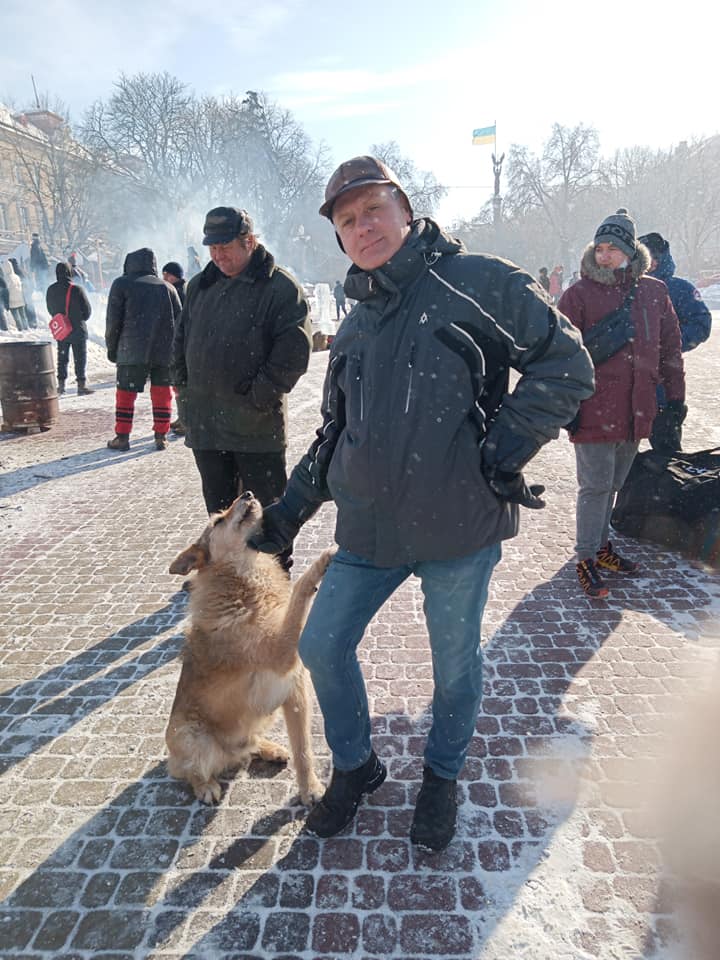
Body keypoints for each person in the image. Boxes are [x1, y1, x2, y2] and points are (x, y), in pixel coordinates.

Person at [250, 156, 595, 850]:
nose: (362, 227)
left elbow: (568, 363)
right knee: (320, 642)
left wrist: (499, 451)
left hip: (458, 528)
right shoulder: (353, 327)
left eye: (372, 209)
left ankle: (441, 776)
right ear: (340, 239)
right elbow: (332, 435)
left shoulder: (476, 283)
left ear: (404, 209)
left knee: (455, 666)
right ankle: (357, 766)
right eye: (347, 221)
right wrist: (285, 517)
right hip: (371, 529)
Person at [172, 206, 312, 569]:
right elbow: (180, 342)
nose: (218, 256)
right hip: (207, 426)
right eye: (212, 249)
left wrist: (259, 396)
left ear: (249, 241)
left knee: (266, 517)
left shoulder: (279, 287)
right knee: (219, 513)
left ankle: (275, 580)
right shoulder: (199, 286)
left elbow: (293, 352)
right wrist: (183, 393)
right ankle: (228, 575)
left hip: (256, 428)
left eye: (225, 247)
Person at [558, 209, 685, 599]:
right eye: (600, 248)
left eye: (613, 248)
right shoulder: (578, 294)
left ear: (631, 251)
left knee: (614, 484)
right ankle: (585, 557)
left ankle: (601, 546)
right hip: (594, 408)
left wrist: (676, 401)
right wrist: (565, 403)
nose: (605, 255)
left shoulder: (654, 292)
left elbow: (670, 349)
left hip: (637, 410)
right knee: (595, 487)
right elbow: (558, 352)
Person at [637, 231, 712, 453]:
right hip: (626, 388)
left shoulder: (679, 288)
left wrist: (670, 344)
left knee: (667, 452)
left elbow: (701, 323)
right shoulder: (625, 287)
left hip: (664, 386)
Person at [105, 247, 181, 451]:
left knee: (125, 394)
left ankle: (122, 437)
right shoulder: (168, 288)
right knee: (162, 393)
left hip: (131, 349)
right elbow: (181, 323)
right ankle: (161, 435)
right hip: (164, 352)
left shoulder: (121, 284)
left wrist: (113, 349)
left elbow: (113, 322)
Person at [46, 262, 94, 395]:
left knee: (62, 357)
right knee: (80, 357)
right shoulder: (77, 289)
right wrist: (78, 318)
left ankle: (61, 386)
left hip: (62, 329)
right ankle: (81, 385)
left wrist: (61, 319)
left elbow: (50, 309)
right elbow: (87, 310)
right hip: (78, 328)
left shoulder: (51, 290)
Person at [161, 262, 188, 435]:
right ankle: (183, 418)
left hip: (181, 343)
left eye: (166, 275)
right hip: (182, 342)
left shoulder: (178, 292)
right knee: (179, 383)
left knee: (181, 383)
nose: (164, 278)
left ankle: (186, 420)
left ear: (174, 276)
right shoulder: (182, 289)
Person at [1, 260, 28, 330]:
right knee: (23, 316)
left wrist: (6, 303)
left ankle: (20, 329)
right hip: (20, 299)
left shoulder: (6, 278)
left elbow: (6, 291)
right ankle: (26, 328)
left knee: (17, 318)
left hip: (12, 301)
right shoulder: (16, 276)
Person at [10, 258, 37, 329]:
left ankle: (30, 323)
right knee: (30, 308)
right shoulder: (22, 270)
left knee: (27, 309)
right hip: (28, 292)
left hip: (24, 293)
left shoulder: (15, 273)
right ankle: (34, 323)